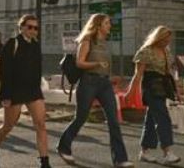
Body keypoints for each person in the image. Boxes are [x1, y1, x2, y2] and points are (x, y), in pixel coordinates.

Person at [57, 14, 133, 167]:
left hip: (104, 84)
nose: (109, 26)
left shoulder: (105, 43)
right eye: (107, 23)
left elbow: (104, 66)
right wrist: (96, 63)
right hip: (89, 82)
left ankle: (120, 159)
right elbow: (80, 63)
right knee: (81, 118)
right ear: (98, 26)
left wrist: (110, 78)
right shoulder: (87, 41)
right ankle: (63, 146)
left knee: (113, 121)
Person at [0, 14, 51, 168]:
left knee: (41, 124)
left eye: (36, 28)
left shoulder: (36, 45)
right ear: (21, 28)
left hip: (33, 91)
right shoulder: (12, 43)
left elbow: (37, 69)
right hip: (15, 91)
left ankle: (45, 162)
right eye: (30, 27)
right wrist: (6, 96)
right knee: (8, 125)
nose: (33, 30)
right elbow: (5, 71)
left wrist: (40, 89)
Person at [125, 25, 181, 165]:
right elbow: (137, 75)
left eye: (169, 39)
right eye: (166, 38)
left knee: (151, 120)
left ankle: (144, 152)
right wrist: (130, 92)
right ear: (158, 37)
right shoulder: (146, 51)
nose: (168, 41)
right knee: (163, 118)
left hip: (163, 87)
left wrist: (177, 91)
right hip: (150, 88)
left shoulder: (166, 51)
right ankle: (167, 152)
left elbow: (169, 73)